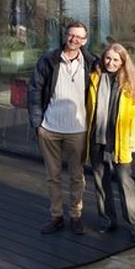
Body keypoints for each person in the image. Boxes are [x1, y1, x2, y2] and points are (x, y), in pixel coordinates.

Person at [28, 21, 96, 235]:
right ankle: (56, 216)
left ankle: (76, 216)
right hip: (50, 127)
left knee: (77, 176)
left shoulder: (92, 63)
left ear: (85, 40)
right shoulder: (49, 60)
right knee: (53, 176)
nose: (74, 39)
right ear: (65, 36)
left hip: (78, 129)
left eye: (79, 37)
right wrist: (38, 123)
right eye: (71, 35)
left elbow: (115, 75)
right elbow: (34, 90)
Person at [86, 42, 135, 242]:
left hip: (119, 141)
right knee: (101, 182)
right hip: (97, 139)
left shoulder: (131, 84)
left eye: (115, 60)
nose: (110, 62)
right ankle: (107, 220)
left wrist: (132, 141)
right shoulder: (94, 78)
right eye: (108, 58)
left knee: (124, 182)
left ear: (123, 62)